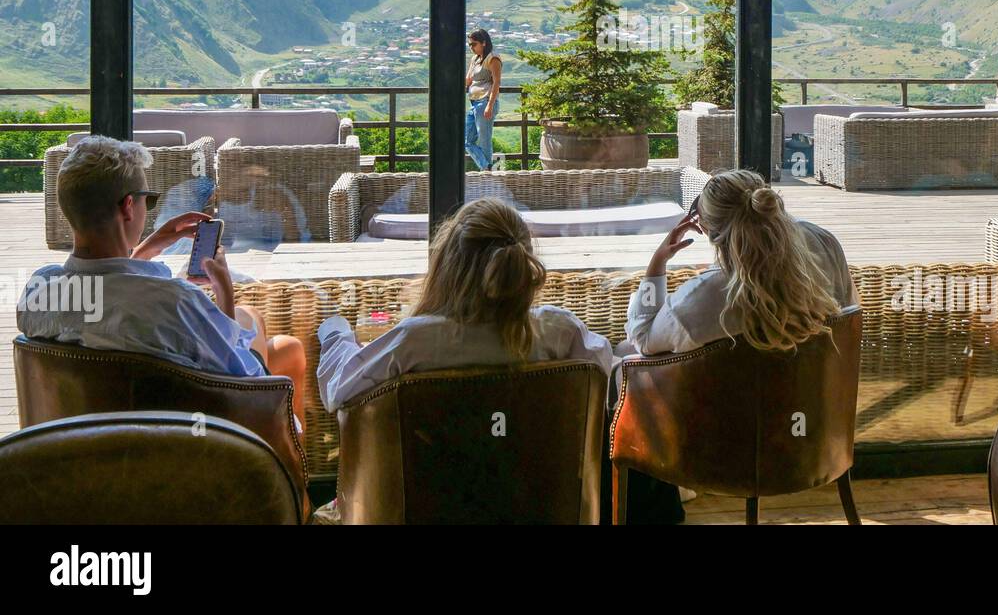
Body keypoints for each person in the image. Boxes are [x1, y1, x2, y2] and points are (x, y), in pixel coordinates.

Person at [19, 136, 307, 425]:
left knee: (281, 344)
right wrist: (225, 292)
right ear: (128, 207)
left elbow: (108, 297)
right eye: (149, 200)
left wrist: (144, 252)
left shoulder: (38, 292)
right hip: (193, 443)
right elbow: (238, 380)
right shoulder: (175, 302)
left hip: (86, 440)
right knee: (280, 345)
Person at [316, 197, 611, 412]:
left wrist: (335, 332)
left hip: (425, 498)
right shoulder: (559, 331)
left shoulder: (414, 341)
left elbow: (339, 391)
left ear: (448, 264)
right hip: (540, 496)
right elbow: (606, 373)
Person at [625, 168, 855, 356]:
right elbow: (847, 315)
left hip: (724, 411)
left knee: (623, 352)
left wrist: (657, 263)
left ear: (707, 229)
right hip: (811, 401)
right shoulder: (823, 242)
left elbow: (643, 338)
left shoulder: (701, 298)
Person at [464, 28, 502, 170]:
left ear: (484, 43)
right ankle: (487, 168)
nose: (471, 47)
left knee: (485, 141)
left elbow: (496, 82)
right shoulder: (475, 59)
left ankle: (487, 173)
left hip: (485, 102)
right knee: (467, 141)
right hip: (474, 103)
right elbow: (468, 80)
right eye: (469, 45)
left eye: (474, 44)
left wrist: (490, 105)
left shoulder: (493, 58)